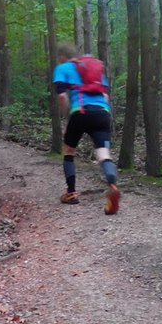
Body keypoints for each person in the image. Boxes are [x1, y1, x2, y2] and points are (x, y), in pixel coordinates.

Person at [52, 43, 121, 215]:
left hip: (80, 111)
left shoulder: (63, 68)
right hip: (102, 113)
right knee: (103, 153)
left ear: (62, 56)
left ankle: (71, 193)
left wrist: (68, 114)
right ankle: (112, 185)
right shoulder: (95, 68)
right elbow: (105, 95)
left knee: (69, 152)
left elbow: (61, 95)